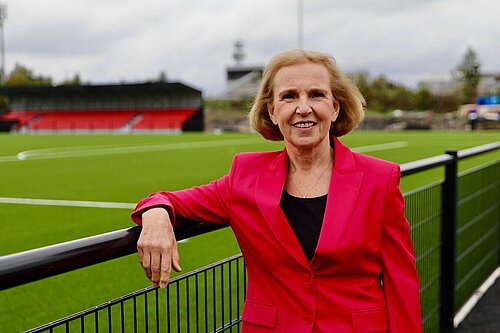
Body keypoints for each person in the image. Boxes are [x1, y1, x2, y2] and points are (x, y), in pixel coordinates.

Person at [131, 49, 422, 332]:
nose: (303, 108)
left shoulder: (380, 179)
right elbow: (166, 199)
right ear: (272, 111)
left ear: (335, 108)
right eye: (289, 96)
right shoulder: (244, 176)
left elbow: (401, 284)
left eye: (317, 94)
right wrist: (156, 215)